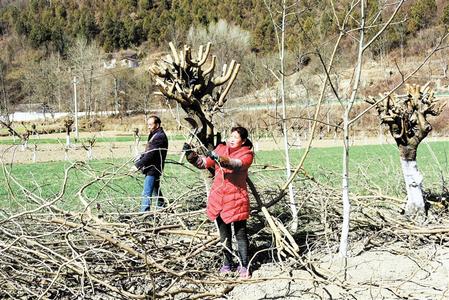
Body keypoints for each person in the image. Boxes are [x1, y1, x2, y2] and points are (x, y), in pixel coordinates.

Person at [183, 126, 254, 279]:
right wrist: (191, 155)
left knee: (240, 235)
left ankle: (244, 265)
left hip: (237, 200)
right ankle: (227, 264)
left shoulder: (246, 154)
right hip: (219, 200)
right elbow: (203, 163)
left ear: (243, 141)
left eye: (236, 137)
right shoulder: (221, 148)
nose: (232, 139)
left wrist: (219, 158)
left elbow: (235, 164)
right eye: (231, 136)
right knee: (224, 235)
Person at [134, 116, 168, 212]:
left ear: (157, 125)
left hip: (153, 168)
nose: (148, 127)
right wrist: (141, 157)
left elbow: (151, 154)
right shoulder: (154, 134)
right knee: (156, 189)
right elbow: (149, 152)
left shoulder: (159, 137)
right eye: (147, 124)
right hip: (153, 167)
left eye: (150, 124)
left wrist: (137, 165)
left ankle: (144, 213)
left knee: (146, 192)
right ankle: (162, 208)